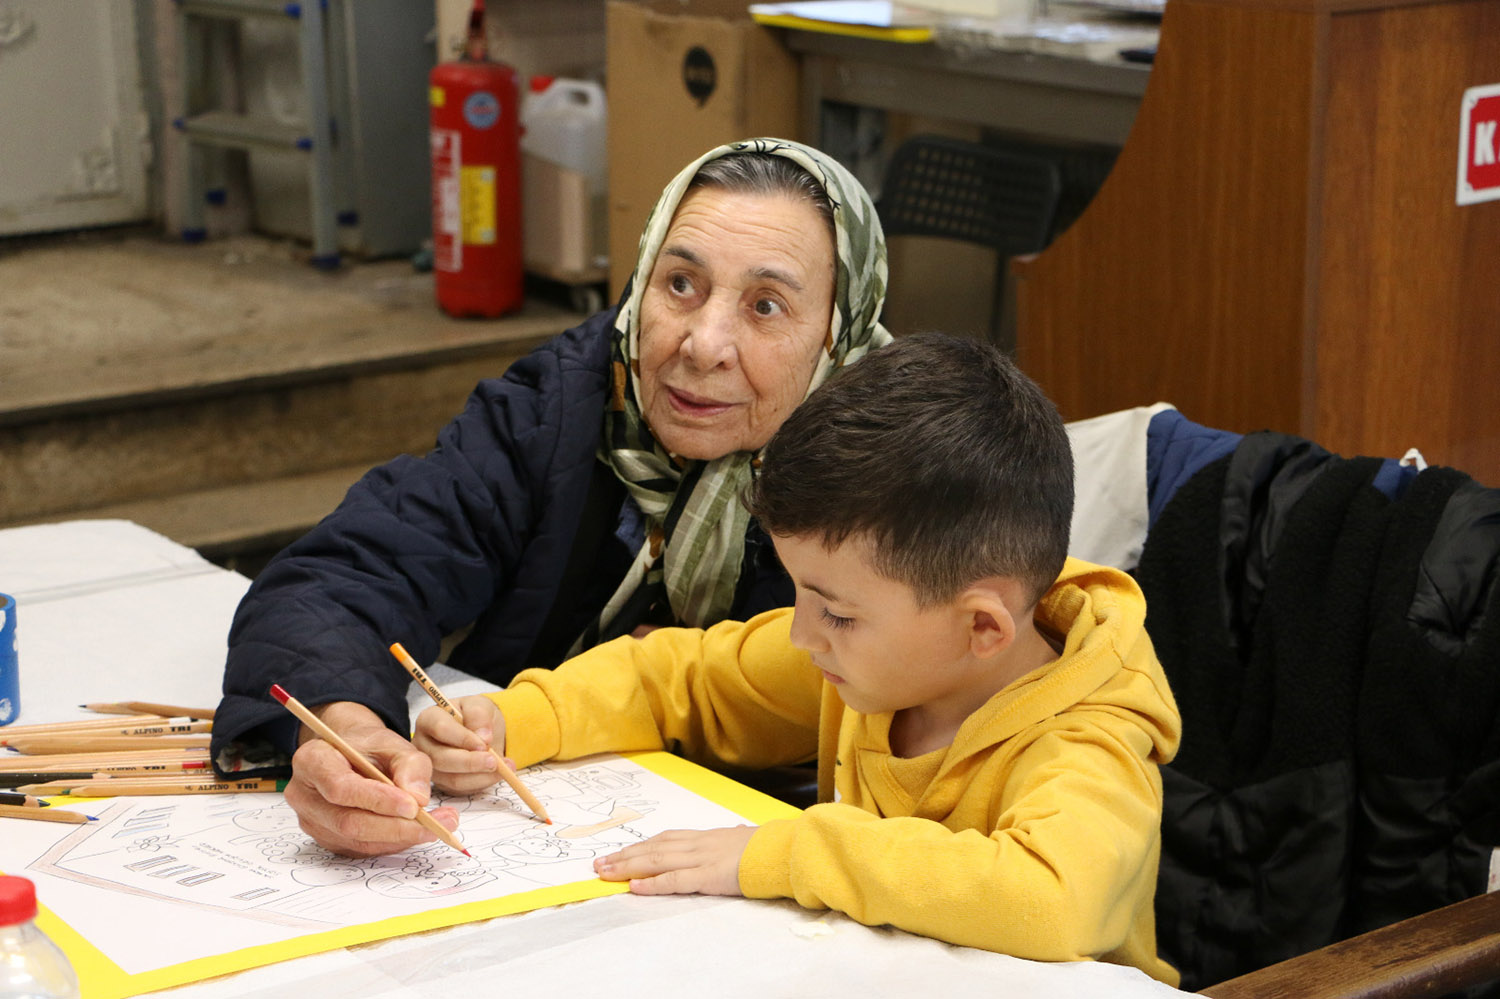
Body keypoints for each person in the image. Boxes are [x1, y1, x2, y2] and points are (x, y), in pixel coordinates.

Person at [416, 333, 1184, 983]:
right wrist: (515, 719)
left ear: (982, 627)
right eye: (803, 596)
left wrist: (780, 851)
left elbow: (1045, 896)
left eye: (837, 612)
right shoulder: (876, 657)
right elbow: (682, 677)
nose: (801, 634)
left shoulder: (1093, 736)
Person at [212, 138, 892, 857]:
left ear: (836, 336)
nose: (703, 344)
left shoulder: (897, 472)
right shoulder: (567, 404)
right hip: (537, 843)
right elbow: (344, 576)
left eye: (765, 305)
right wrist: (344, 726)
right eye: (681, 284)